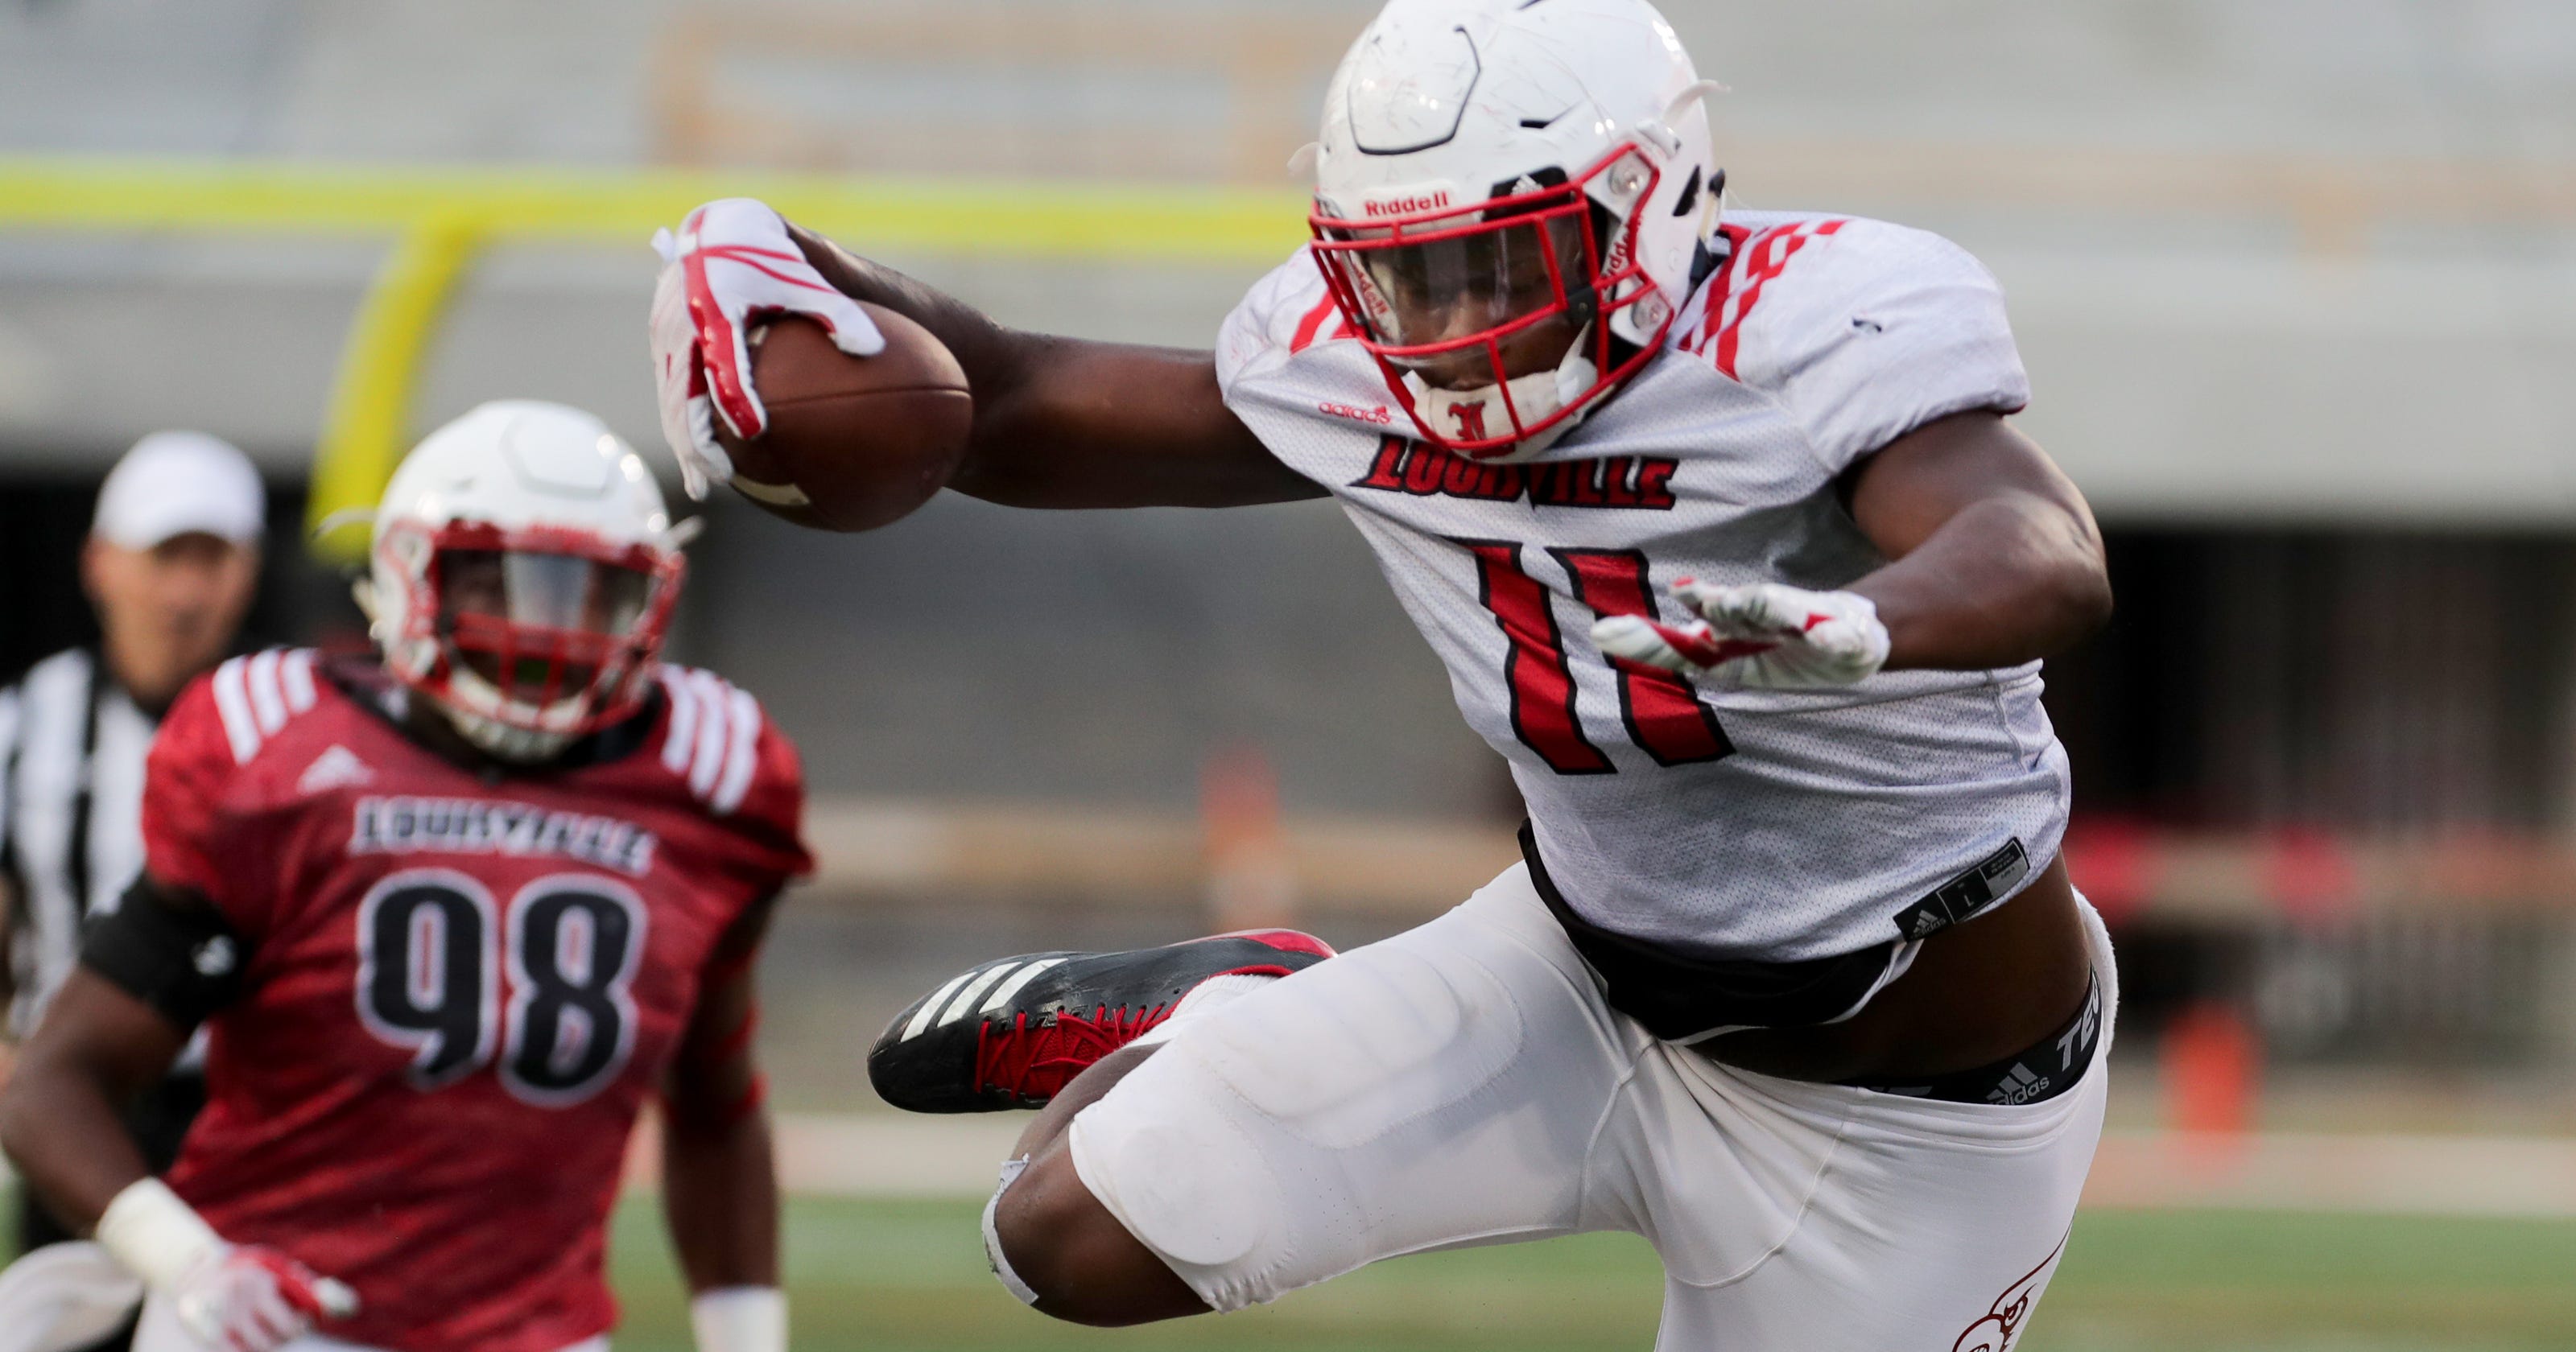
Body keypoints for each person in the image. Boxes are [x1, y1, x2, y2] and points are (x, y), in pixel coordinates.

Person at [651, 0, 2116, 1346]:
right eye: (1404, 277)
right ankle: (1248, 1002)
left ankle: (1264, 1022)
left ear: (1649, 200)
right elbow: (1014, 400)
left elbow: (2038, 547)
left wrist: (1860, 623)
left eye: (1497, 264)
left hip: (1917, 1117)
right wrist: (777, 258)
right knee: (1058, 1242)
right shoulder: (1348, 363)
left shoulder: (1803, 326)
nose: (1451, 332)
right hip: (1581, 980)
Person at [0, 402, 809, 1352]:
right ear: (405, 574)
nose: (545, 628)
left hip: (538, 1334)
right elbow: (54, 1082)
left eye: (589, 592)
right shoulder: (279, 753)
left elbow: (716, 1109)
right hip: (276, 1322)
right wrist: (192, 1262)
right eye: (498, 584)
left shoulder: (709, 777)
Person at [1, 431, 266, 1268]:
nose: (184, 593)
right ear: (101, 564)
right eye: (163, 557)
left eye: (209, 560)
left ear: (248, 572)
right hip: (76, 1107)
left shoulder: (286, 726)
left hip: (243, 1118)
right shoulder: (25, 724)